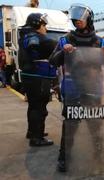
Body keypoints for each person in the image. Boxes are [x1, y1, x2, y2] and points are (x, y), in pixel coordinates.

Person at [49, 4, 104, 172]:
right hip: (73, 89)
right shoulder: (66, 39)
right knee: (69, 126)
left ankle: (99, 155)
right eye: (75, 19)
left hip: (93, 89)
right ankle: (64, 158)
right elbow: (53, 60)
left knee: (95, 125)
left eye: (80, 18)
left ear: (89, 19)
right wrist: (63, 52)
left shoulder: (100, 41)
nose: (77, 21)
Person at [20, 13, 56, 146]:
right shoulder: (35, 37)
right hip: (38, 77)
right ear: (36, 25)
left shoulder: (26, 35)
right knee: (40, 108)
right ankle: (37, 138)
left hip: (30, 76)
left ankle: (32, 132)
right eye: (44, 25)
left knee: (33, 106)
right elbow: (52, 44)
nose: (45, 28)